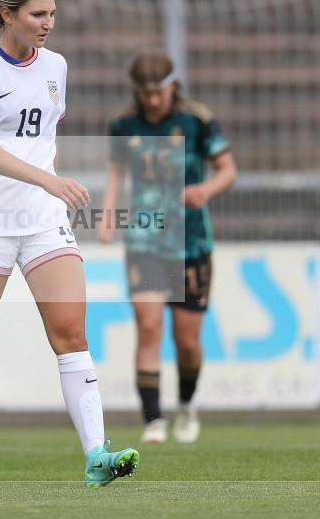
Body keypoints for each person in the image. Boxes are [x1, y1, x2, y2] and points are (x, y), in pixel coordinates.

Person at [0, 0, 140, 488]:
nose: (48, 24)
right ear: (8, 15)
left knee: (70, 333)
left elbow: (41, 139)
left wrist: (49, 189)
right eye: (37, 15)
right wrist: (48, 179)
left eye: (52, 14)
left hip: (43, 220)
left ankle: (96, 455)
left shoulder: (56, 66)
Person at [98, 51, 237, 444]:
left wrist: (206, 189)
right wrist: (108, 214)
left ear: (173, 85)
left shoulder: (197, 120)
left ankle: (187, 406)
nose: (153, 100)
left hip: (191, 242)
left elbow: (228, 169)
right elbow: (116, 173)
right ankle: (153, 421)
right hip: (145, 240)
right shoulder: (123, 125)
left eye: (158, 92)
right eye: (145, 93)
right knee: (147, 327)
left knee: (187, 341)